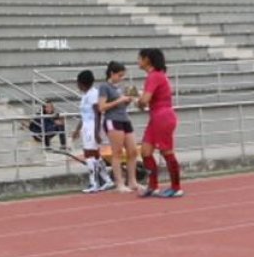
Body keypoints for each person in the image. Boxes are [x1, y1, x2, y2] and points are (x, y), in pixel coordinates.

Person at [136, 48, 182, 198]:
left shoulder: (154, 76)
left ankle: (176, 187)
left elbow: (145, 100)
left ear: (147, 60)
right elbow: (147, 101)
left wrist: (138, 100)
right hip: (156, 116)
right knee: (145, 151)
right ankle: (153, 185)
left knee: (166, 151)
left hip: (162, 116)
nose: (138, 61)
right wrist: (141, 101)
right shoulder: (156, 76)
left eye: (140, 58)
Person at [98, 62, 140, 193]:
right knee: (117, 152)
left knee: (132, 151)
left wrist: (127, 101)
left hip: (124, 119)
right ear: (112, 73)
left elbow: (122, 104)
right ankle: (119, 183)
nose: (121, 78)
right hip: (112, 120)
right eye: (120, 75)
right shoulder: (104, 87)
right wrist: (119, 101)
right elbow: (102, 107)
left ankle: (132, 181)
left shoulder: (121, 88)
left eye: (123, 76)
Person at [71, 69, 114, 194]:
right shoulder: (85, 95)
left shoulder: (94, 94)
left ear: (83, 83)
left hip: (93, 127)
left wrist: (96, 132)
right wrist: (77, 130)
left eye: (78, 83)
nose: (77, 85)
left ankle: (94, 183)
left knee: (89, 155)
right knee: (95, 155)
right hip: (86, 126)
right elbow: (83, 115)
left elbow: (98, 113)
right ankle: (107, 180)